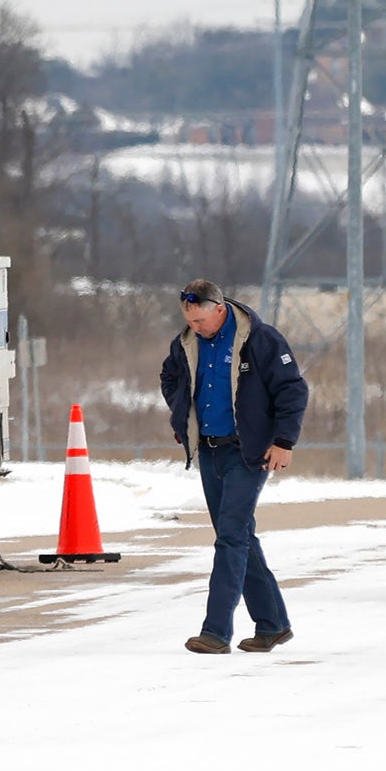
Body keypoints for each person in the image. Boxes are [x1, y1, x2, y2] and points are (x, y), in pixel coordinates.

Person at [156, 277, 305, 654]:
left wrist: (284, 441)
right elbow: (170, 376)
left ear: (219, 309)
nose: (195, 326)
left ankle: (215, 631)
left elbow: (292, 389)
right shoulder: (186, 344)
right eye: (189, 320)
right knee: (239, 536)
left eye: (200, 320)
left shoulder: (260, 339)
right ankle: (272, 625)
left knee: (230, 538)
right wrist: (182, 419)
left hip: (249, 452)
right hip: (209, 451)